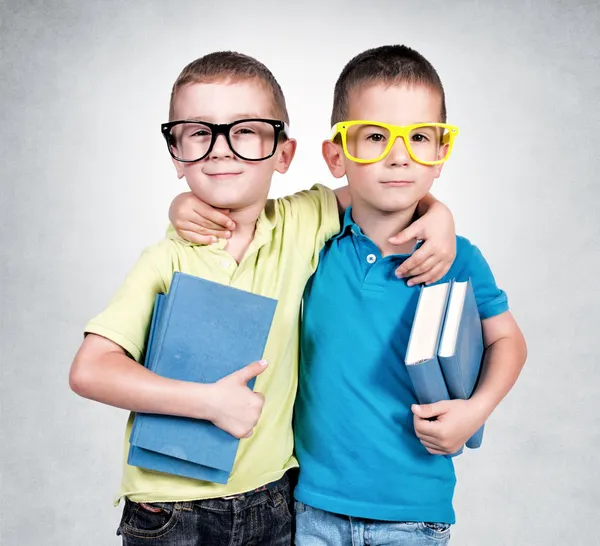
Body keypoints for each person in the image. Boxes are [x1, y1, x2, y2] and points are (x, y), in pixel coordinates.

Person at [69, 50, 456, 545]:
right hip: (172, 507)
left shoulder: (300, 222)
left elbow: (383, 190)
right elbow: (90, 369)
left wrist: (438, 214)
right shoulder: (167, 258)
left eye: (245, 130)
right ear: (176, 154)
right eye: (199, 132)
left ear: (284, 153)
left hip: (275, 500)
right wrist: (206, 402)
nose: (222, 150)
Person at [172, 45, 527, 545]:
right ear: (336, 156)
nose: (399, 156)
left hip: (414, 512)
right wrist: (183, 200)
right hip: (310, 506)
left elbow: (508, 340)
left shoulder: (457, 257)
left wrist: (477, 410)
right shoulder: (312, 243)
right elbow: (240, 210)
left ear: (442, 154)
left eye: (420, 138)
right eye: (376, 137)